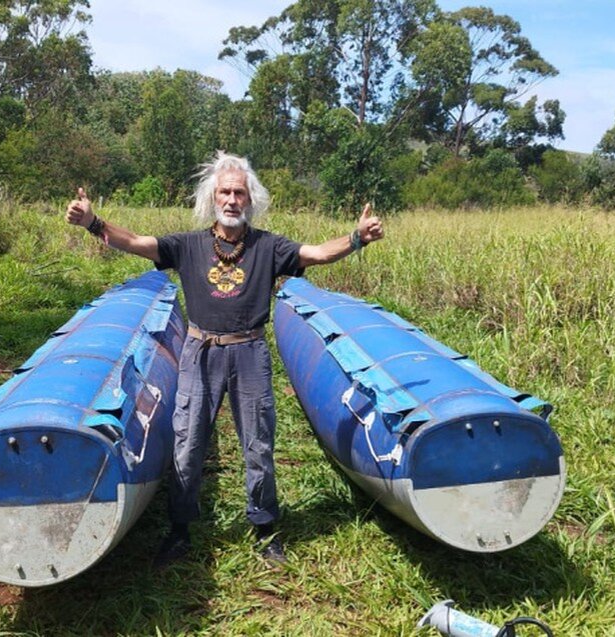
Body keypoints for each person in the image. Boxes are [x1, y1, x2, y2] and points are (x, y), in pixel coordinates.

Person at [66, 152, 384, 565]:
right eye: (225, 192)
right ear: (212, 198)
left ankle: (265, 527)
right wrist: (94, 222)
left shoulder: (269, 246)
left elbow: (318, 253)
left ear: (250, 200)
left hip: (249, 351)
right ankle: (180, 529)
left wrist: (356, 237)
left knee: (258, 443)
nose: (232, 199)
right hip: (199, 352)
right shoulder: (188, 245)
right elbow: (137, 243)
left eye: (239, 192)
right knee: (188, 443)